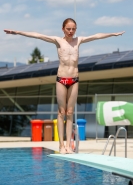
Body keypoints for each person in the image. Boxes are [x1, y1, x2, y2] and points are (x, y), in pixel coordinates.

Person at [4, 18, 125, 154]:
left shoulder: (78, 41)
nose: (71, 31)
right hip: (61, 79)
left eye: (73, 29)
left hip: (74, 79)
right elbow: (38, 35)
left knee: (70, 112)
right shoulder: (58, 41)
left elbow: (96, 36)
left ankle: (69, 146)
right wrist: (17, 32)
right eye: (68, 29)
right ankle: (61, 146)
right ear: (63, 29)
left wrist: (113, 34)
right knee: (61, 112)